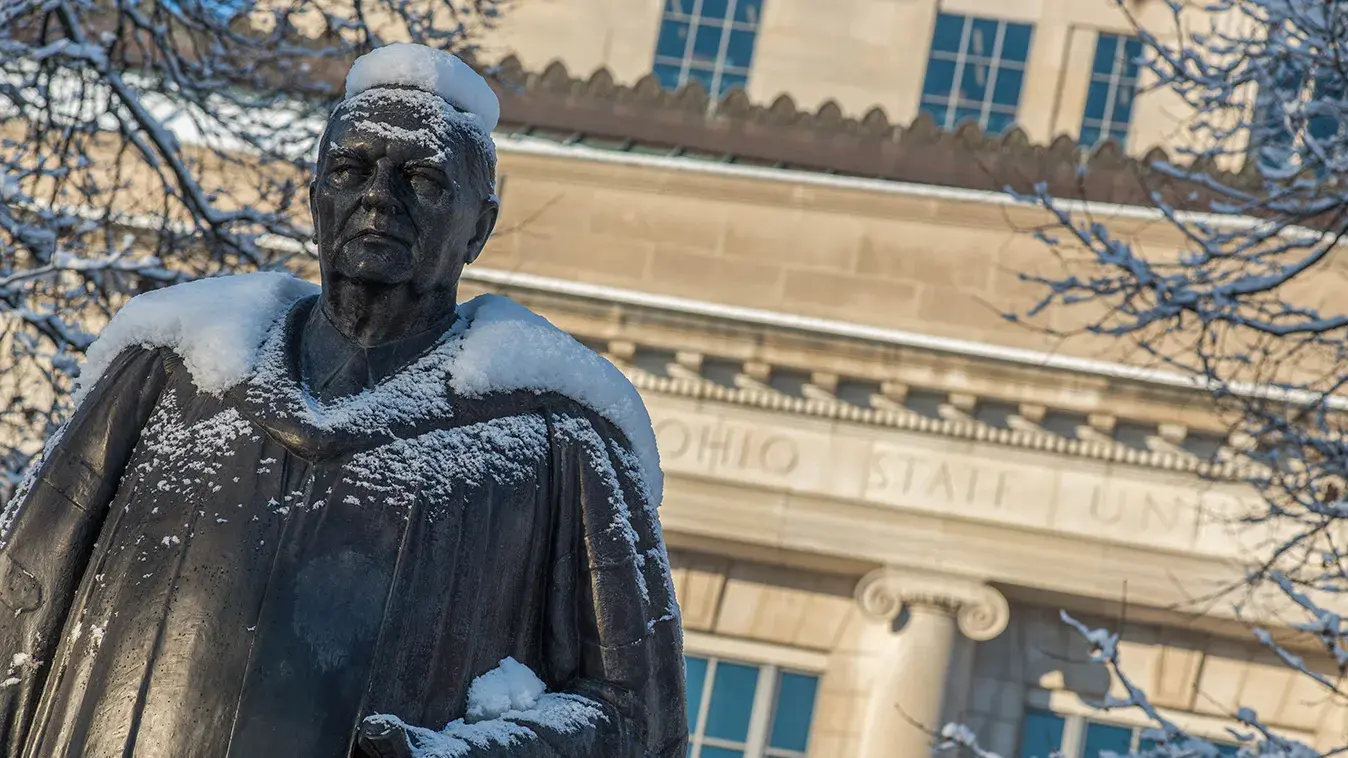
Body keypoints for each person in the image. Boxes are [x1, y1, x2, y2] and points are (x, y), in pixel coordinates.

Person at [0, 43, 685, 757]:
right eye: (350, 170)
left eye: (420, 180)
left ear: (479, 226)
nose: (378, 198)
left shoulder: (555, 441)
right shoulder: (166, 374)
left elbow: (637, 722)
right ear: (314, 198)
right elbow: (19, 607)